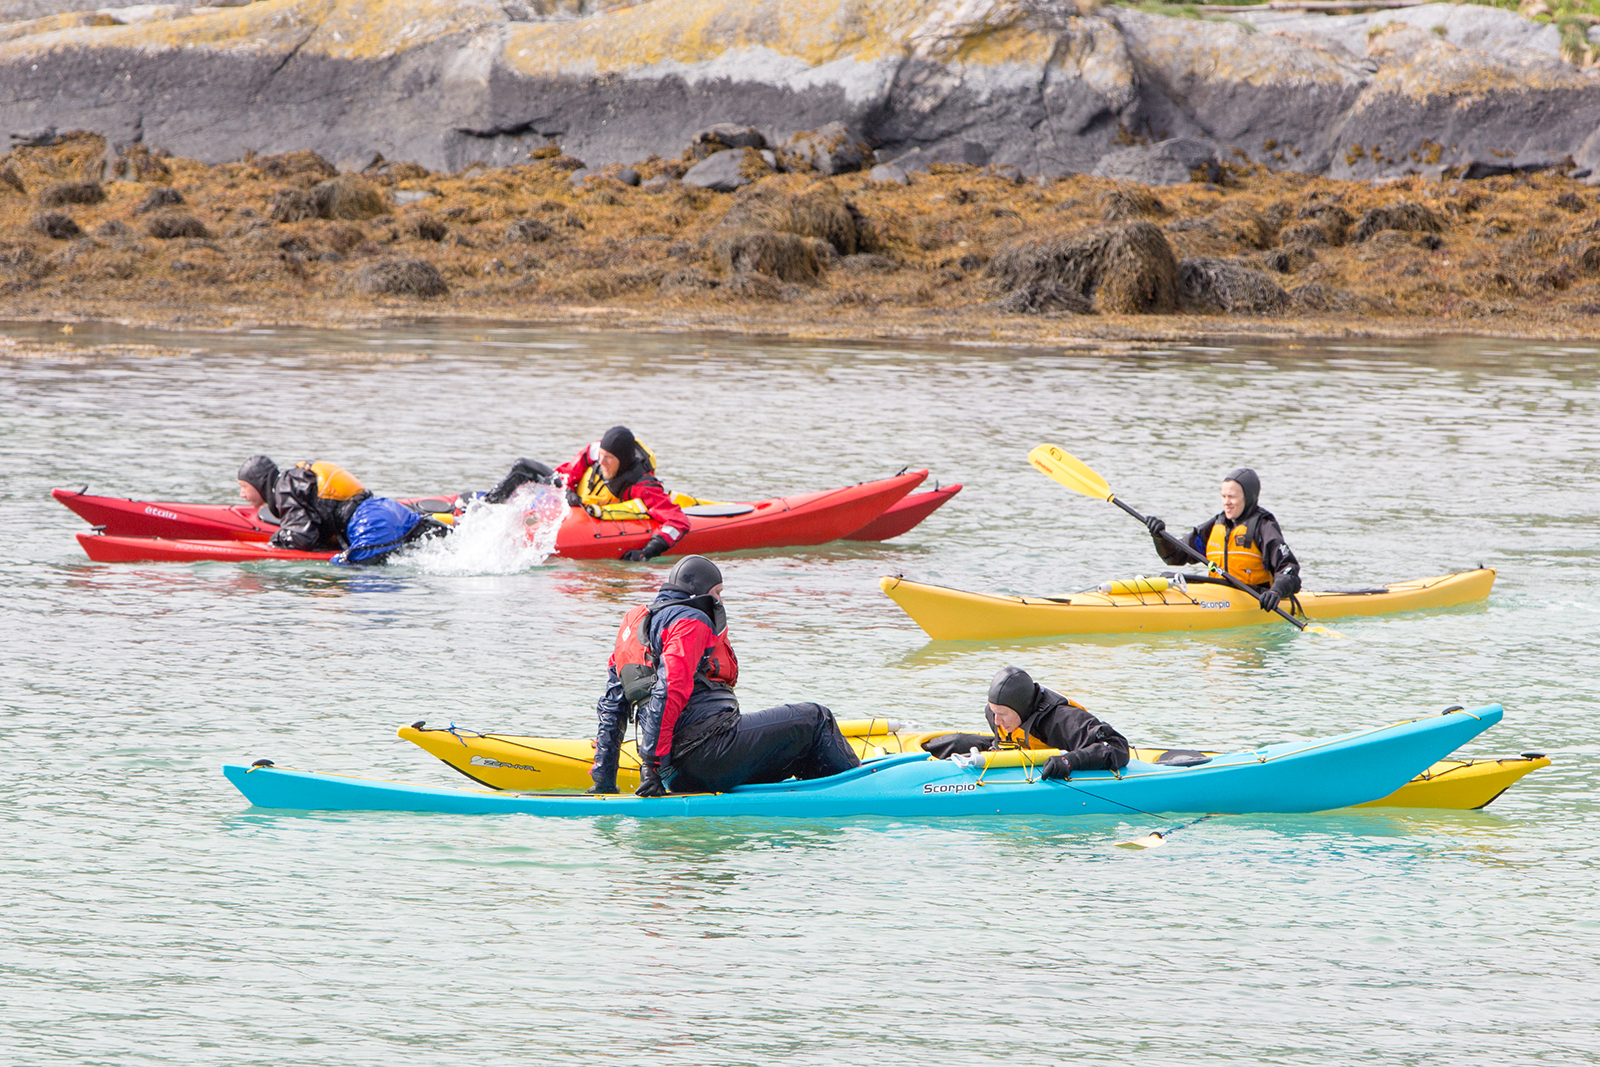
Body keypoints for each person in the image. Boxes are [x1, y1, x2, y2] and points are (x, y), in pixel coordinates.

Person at [589, 555, 860, 796]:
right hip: (708, 754)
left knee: (798, 747)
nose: (719, 600)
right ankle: (857, 790)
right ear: (699, 592)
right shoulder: (689, 621)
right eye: (717, 592)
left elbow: (613, 706)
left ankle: (811, 798)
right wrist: (651, 765)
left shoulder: (635, 629)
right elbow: (671, 688)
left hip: (675, 772)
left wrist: (604, 780)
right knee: (816, 718)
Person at [482, 426, 689, 562]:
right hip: (570, 498)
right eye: (602, 455)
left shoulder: (642, 486)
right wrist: (569, 490)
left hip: (594, 514)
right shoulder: (594, 453)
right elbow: (568, 473)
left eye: (609, 458)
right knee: (522, 467)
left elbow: (678, 522)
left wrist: (648, 551)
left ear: (623, 461)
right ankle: (486, 505)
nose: (602, 462)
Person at [924, 666, 1129, 780]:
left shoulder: (1062, 719)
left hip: (1058, 761)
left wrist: (1069, 761)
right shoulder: (995, 714)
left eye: (1002, 714)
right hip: (1018, 753)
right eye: (993, 712)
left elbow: (1118, 746)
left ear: (1021, 709)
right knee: (956, 742)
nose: (996, 721)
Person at [1142, 467, 1301, 614]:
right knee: (1167, 576)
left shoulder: (1264, 527)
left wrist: (1275, 592)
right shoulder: (1215, 526)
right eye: (1224, 496)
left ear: (1248, 497)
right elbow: (1175, 556)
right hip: (1216, 597)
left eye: (1232, 497)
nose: (1226, 502)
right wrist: (1159, 537)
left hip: (1254, 596)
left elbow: (1288, 568)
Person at [236, 455, 445, 563]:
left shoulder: (285, 486)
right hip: (390, 511)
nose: (242, 494)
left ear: (259, 482)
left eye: (244, 486)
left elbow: (302, 536)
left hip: (370, 526)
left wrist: (275, 542)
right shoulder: (296, 479)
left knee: (346, 572)